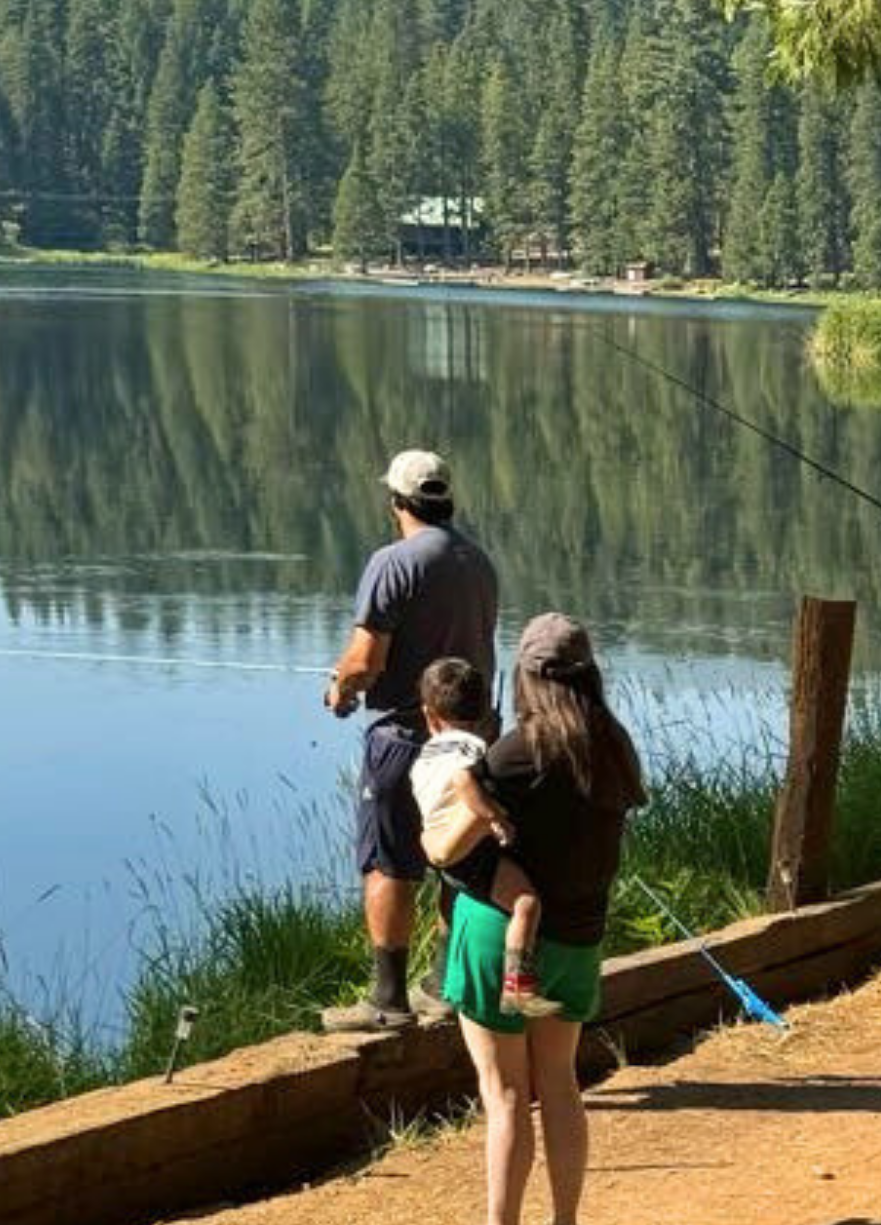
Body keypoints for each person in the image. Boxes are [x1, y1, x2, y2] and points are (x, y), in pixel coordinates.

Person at [440, 613, 645, 1225]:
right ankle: (565, 1221)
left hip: (500, 943)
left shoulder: (518, 751)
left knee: (504, 1096)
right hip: (576, 944)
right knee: (559, 1084)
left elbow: (448, 849)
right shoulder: (614, 748)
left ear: (527, 675)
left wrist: (451, 835)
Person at [321, 449, 500, 1033]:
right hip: (474, 736)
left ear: (397, 502)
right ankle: (446, 985)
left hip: (406, 735)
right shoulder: (479, 562)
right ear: (446, 500)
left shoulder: (393, 563)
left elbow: (365, 660)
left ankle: (387, 999)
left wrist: (341, 690)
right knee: (459, 858)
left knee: (389, 862)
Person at [411, 657, 560, 1018]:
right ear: (483, 714)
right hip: (473, 855)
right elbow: (465, 780)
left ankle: (445, 981)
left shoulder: (425, 757)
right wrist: (495, 818)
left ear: (429, 716)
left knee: (455, 908)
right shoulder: (476, 752)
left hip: (445, 852)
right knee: (526, 904)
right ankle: (518, 989)